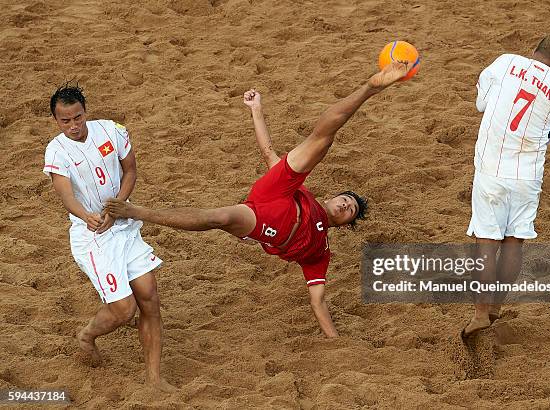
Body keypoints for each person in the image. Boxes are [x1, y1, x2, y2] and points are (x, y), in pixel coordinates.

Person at [104, 61, 414, 337]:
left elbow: (317, 300)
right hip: (281, 194)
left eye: (350, 210)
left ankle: (136, 211)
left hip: (269, 227)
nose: (346, 205)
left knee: (221, 219)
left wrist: (335, 340)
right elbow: (268, 152)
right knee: (322, 141)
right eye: (346, 199)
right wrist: (257, 110)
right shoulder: (308, 194)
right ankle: (370, 88)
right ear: (332, 197)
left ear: (344, 224)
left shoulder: (321, 252)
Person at [43, 83, 173, 391]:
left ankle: (154, 378)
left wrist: (119, 206)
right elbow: (65, 195)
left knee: (150, 297)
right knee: (123, 310)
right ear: (56, 120)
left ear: (85, 112)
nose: (74, 125)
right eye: (66, 121)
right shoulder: (57, 151)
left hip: (123, 227)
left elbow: (130, 170)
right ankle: (87, 335)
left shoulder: (112, 131)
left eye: (78, 117)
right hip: (92, 238)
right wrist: (84, 214)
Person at [463, 35, 550, 337]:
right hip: (527, 174)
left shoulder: (506, 61)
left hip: (492, 170)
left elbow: (480, 103)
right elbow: (548, 133)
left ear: (533, 52)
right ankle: (496, 307)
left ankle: (481, 313)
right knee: (514, 242)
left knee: (486, 242)